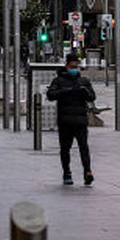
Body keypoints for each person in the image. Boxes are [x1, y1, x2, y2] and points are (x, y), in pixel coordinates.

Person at [46, 54, 97, 186]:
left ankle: (88, 171)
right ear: (67, 65)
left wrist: (84, 91)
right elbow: (50, 95)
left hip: (80, 120)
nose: (75, 68)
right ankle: (67, 172)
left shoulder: (84, 81)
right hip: (65, 121)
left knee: (84, 147)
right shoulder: (58, 80)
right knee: (65, 148)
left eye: (76, 66)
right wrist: (66, 91)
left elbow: (92, 97)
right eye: (72, 66)